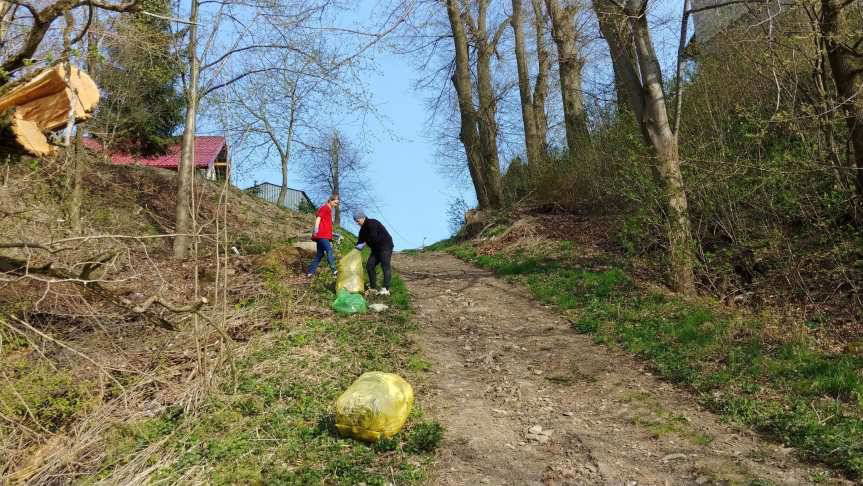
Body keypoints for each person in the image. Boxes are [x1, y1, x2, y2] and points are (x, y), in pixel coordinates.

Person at [353, 210, 394, 296]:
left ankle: (386, 289)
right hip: (376, 250)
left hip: (385, 246)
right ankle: (373, 288)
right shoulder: (362, 230)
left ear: (362, 217)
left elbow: (373, 237)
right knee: (369, 266)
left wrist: (364, 242)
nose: (357, 223)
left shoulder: (372, 223)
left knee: (385, 266)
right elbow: (360, 241)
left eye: (357, 220)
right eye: (356, 221)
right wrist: (356, 248)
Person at [306, 194, 340, 277]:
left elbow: (325, 223)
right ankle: (334, 270)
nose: (336, 205)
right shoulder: (325, 208)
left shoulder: (328, 209)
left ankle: (310, 272)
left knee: (319, 254)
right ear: (331, 201)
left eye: (337, 204)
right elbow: (318, 218)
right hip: (322, 235)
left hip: (323, 235)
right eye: (335, 203)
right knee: (329, 250)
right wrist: (316, 230)